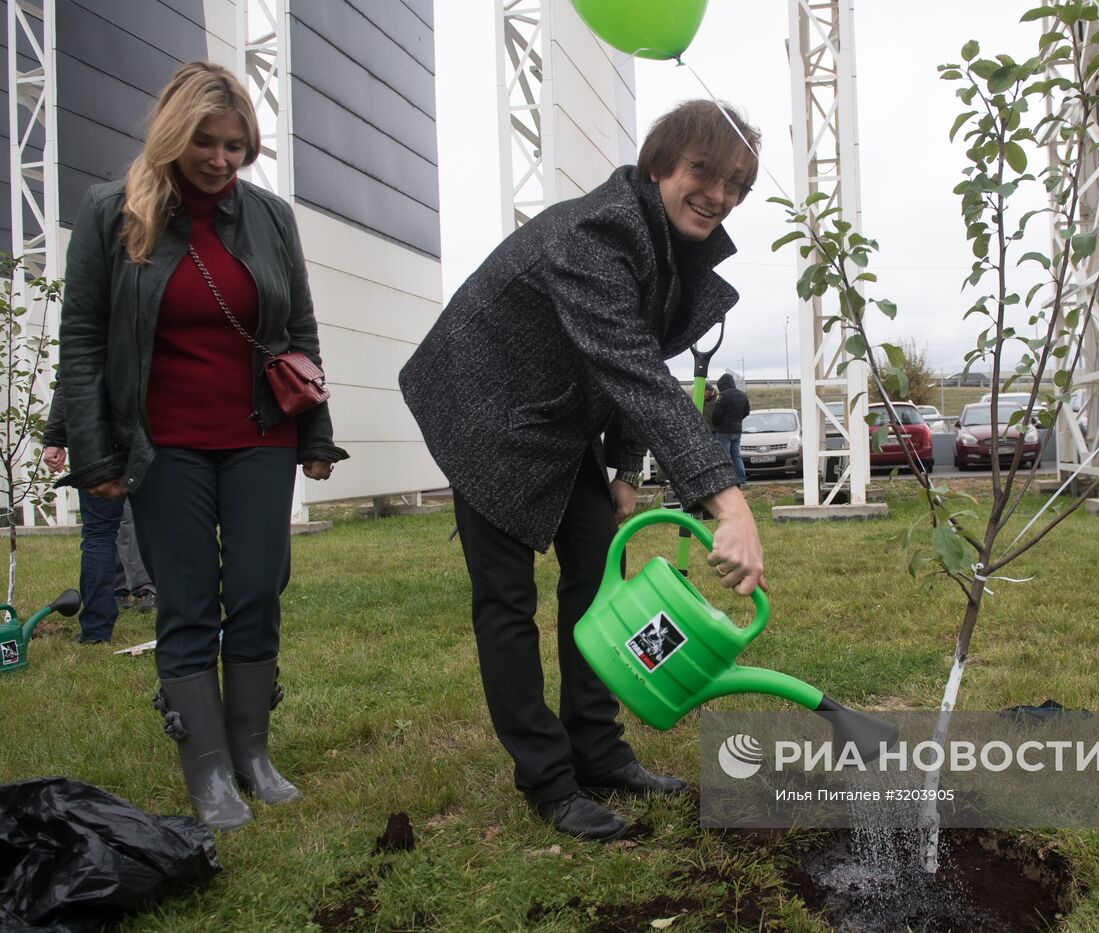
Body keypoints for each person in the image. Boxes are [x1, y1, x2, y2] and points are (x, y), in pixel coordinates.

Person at [401, 99, 767, 842]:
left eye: (735, 184)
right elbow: (633, 368)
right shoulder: (595, 234)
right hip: (483, 409)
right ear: (659, 165)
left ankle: (597, 749)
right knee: (506, 600)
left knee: (601, 571)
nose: (719, 195)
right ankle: (548, 778)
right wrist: (729, 506)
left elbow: (635, 353)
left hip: (557, 417)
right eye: (703, 172)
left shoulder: (664, 243)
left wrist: (624, 465)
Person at [55, 61, 347, 831]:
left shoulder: (270, 216)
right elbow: (82, 339)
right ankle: (209, 768)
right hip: (165, 444)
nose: (221, 159)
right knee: (186, 600)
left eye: (235, 145)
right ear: (172, 135)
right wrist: (93, 454)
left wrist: (315, 432)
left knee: (256, 588)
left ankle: (252, 751)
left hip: (260, 436)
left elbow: (299, 330)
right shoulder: (111, 211)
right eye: (206, 142)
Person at [41, 387, 154, 643]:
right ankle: (185, 622)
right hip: (149, 428)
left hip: (98, 436)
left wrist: (55, 438)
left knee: (99, 535)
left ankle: (96, 630)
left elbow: (68, 380)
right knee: (168, 526)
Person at [710, 373, 750, 485]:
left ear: (722, 385)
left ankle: (728, 480)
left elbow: (716, 414)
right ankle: (741, 479)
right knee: (736, 455)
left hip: (723, 430)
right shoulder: (743, 394)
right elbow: (747, 411)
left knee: (725, 456)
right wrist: (738, 420)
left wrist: (717, 424)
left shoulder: (722, 396)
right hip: (737, 430)